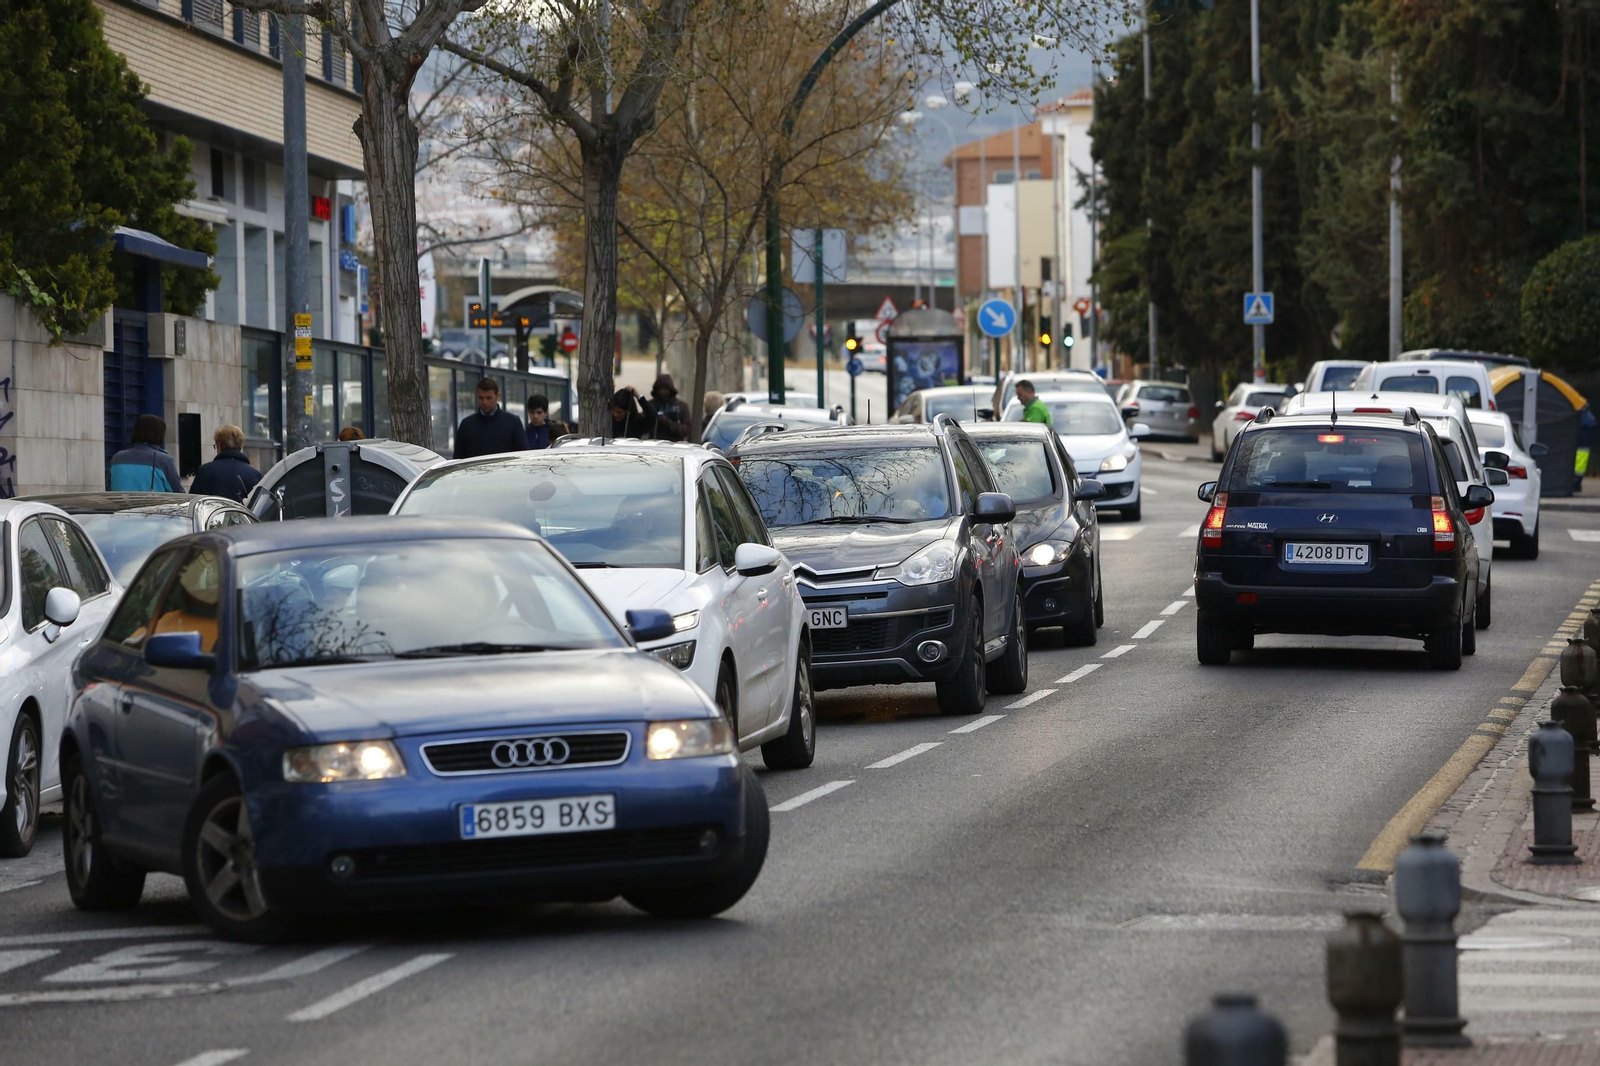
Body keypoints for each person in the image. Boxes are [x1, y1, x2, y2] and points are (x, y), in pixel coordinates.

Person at [453, 376, 528, 459]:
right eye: (481, 398)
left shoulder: (513, 423)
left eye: (489, 398)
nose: (485, 402)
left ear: (498, 396)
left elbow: (523, 456)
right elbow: (458, 459)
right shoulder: (466, 425)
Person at [108, 414, 183, 492]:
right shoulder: (164, 460)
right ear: (160, 435)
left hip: (122, 504)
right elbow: (179, 494)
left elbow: (110, 490)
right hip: (155, 504)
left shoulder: (116, 459)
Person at [188, 425, 262, 502]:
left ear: (219, 446)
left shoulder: (205, 471)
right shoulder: (254, 475)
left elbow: (193, 502)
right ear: (240, 446)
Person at [647, 374, 690, 442]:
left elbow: (686, 430)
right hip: (654, 443)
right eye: (659, 389)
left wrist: (667, 422)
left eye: (665, 389)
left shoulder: (681, 406)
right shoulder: (651, 405)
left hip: (674, 444)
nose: (661, 392)